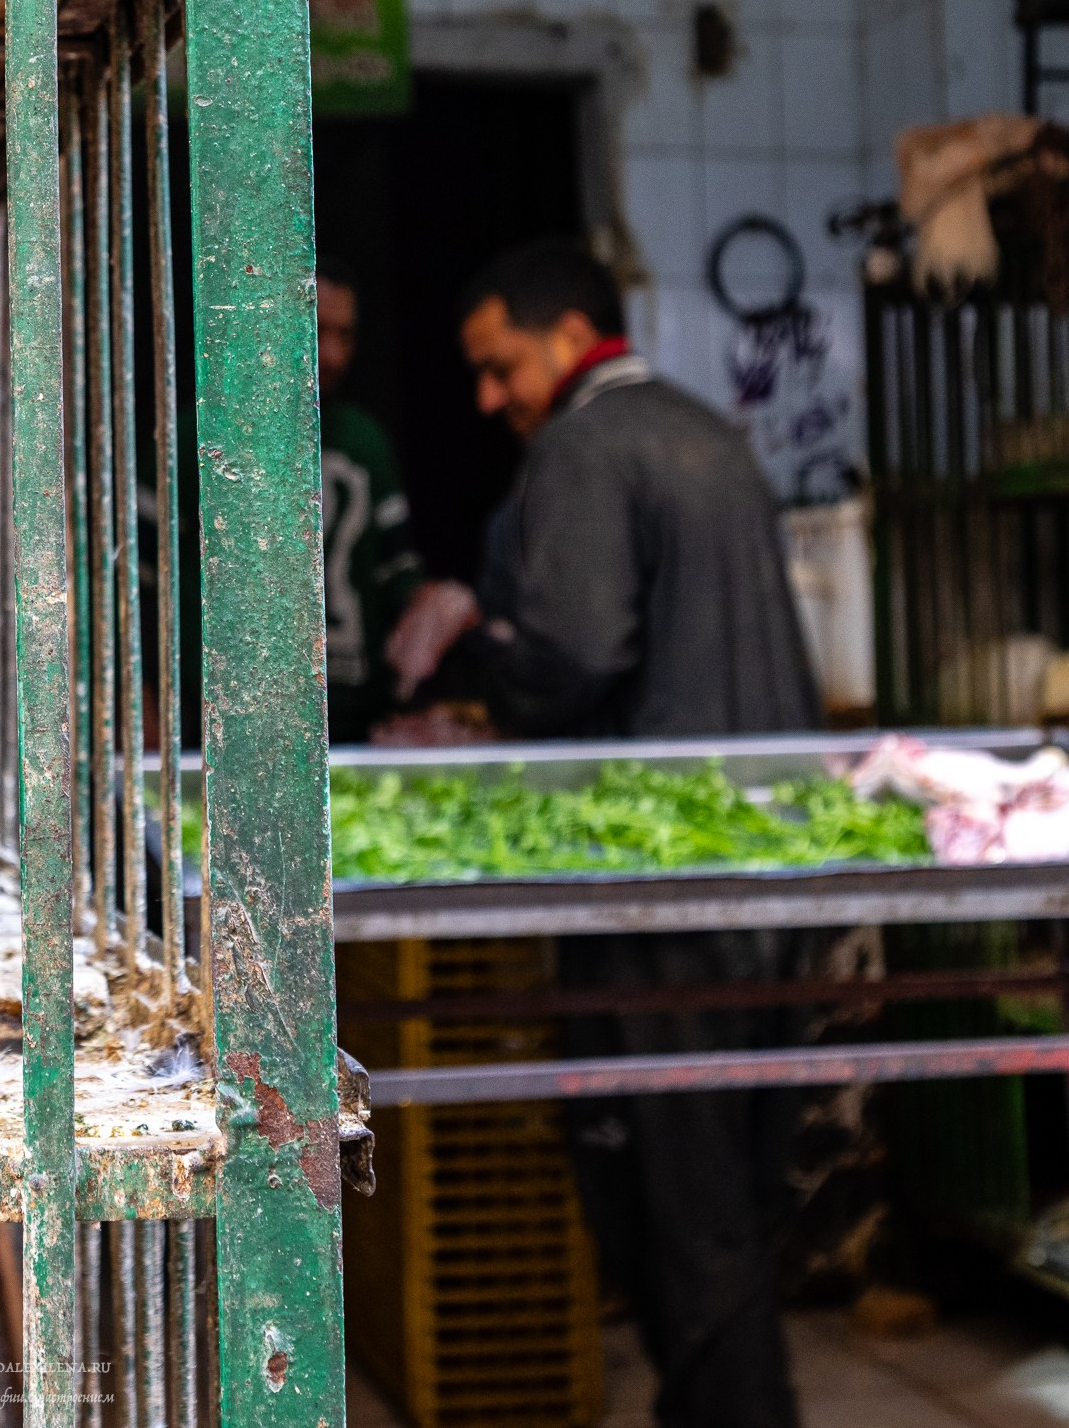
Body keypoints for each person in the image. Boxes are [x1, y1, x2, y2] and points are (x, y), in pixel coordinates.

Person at [387, 238, 819, 1428]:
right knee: (732, 1198)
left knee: (682, 1219)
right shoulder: (705, 433)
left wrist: (475, 650)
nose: (488, 398)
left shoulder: (583, 446)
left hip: (661, 886)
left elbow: (575, 657)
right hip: (769, 873)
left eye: (500, 365)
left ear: (571, 339)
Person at [314, 262, 426, 743]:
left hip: (358, 718)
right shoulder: (201, 436)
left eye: (347, 336)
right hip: (225, 722)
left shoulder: (364, 442)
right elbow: (144, 588)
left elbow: (398, 574)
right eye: (315, 331)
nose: (334, 355)